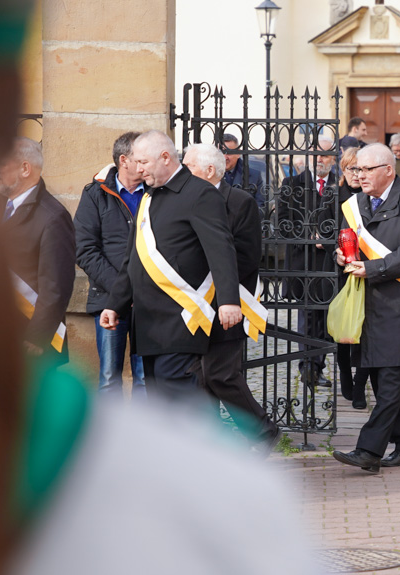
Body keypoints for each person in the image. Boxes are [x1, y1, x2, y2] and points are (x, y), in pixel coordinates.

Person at [101, 130, 243, 402]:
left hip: (180, 320)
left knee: (178, 401)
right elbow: (134, 258)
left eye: (143, 162)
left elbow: (221, 249)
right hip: (149, 323)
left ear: (165, 157)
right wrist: (115, 303)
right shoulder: (149, 197)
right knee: (161, 404)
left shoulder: (199, 193)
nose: (138, 169)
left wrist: (228, 300)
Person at [331, 143, 400, 473]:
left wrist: (374, 268)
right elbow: (351, 244)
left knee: (391, 386)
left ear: (388, 170)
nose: (359, 175)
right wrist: (343, 258)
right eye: (356, 170)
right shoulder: (355, 204)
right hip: (369, 307)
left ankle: (368, 451)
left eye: (366, 170)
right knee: (381, 384)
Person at [182, 143, 280, 448]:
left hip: (227, 299)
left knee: (221, 374)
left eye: (188, 167)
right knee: (198, 375)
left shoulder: (239, 202)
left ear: (209, 170)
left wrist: (214, 283)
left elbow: (247, 256)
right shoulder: (185, 200)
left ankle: (262, 431)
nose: (182, 173)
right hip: (195, 303)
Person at [74, 132, 146, 399]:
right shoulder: (95, 194)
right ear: (124, 160)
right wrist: (121, 290)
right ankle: (109, 439)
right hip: (107, 300)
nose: (145, 165)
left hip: (149, 301)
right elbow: (85, 250)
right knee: (108, 379)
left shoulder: (157, 191)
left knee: (145, 380)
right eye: (140, 159)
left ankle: (142, 439)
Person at [0, 137, 76, 367]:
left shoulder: (53, 216)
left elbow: (56, 287)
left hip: (29, 340)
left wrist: (38, 336)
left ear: (25, 168)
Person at [277, 137, 338, 388]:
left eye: (325, 155)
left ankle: (318, 365)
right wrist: (308, 237)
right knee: (307, 317)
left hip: (330, 261)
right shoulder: (292, 183)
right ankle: (308, 367)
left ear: (333, 158)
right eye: (317, 155)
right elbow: (282, 222)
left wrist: (329, 239)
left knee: (325, 318)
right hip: (303, 261)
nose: (320, 160)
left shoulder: (339, 184)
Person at [334, 148, 378, 409]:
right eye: (351, 169)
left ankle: (360, 384)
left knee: (366, 333)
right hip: (342, 275)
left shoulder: (371, 197)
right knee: (343, 332)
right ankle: (345, 376)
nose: (356, 174)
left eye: (360, 169)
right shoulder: (335, 197)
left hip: (371, 271)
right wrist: (336, 252)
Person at [222, 134, 266, 209]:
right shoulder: (206, 175)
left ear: (238, 153)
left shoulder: (253, 175)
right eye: (221, 152)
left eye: (229, 152)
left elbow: (260, 207)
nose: (224, 157)